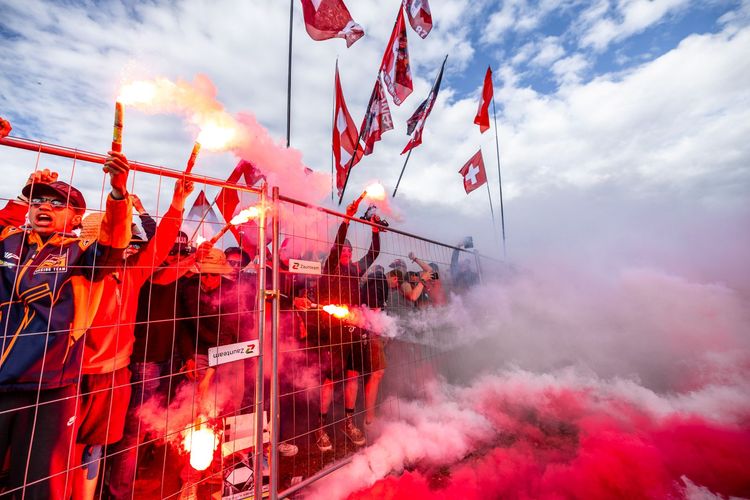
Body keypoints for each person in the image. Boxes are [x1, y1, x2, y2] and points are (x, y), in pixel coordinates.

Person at [0, 154, 131, 500]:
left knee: (39, 489)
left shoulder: (81, 251)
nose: (45, 206)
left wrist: (119, 194)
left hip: (50, 387)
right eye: (37, 200)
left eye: (57, 203)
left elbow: (113, 246)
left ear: (76, 218)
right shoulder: (8, 240)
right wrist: (20, 198)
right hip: (1, 381)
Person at [73, 178, 193, 500]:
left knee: (96, 447)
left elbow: (160, 246)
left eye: (125, 243)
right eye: (113, 243)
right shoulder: (70, 272)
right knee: (64, 450)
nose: (123, 248)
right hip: (67, 374)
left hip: (114, 373)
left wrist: (177, 205)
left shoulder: (130, 272)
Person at [107, 231, 195, 500]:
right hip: (145, 359)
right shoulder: (146, 271)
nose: (176, 256)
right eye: (172, 250)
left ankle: (139, 471)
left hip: (168, 358)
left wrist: (186, 355)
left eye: (181, 251)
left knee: (153, 421)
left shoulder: (179, 276)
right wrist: (192, 259)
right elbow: (162, 277)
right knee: (134, 427)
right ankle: (119, 491)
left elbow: (181, 318)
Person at [307, 198, 380, 451]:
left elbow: (373, 255)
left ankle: (348, 423)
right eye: (343, 251)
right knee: (329, 380)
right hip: (334, 334)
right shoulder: (330, 270)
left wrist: (375, 230)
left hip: (354, 332)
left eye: (350, 251)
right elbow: (337, 244)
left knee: (353, 377)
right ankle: (320, 427)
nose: (347, 253)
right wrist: (347, 220)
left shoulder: (355, 270)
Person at [177, 248, 251, 415]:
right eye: (204, 274)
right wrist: (188, 357)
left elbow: (228, 333)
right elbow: (184, 325)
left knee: (230, 400)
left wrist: (209, 375)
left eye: (214, 274)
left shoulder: (232, 291)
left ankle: (229, 428)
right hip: (201, 347)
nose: (208, 279)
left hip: (231, 349)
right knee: (199, 399)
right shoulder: (189, 288)